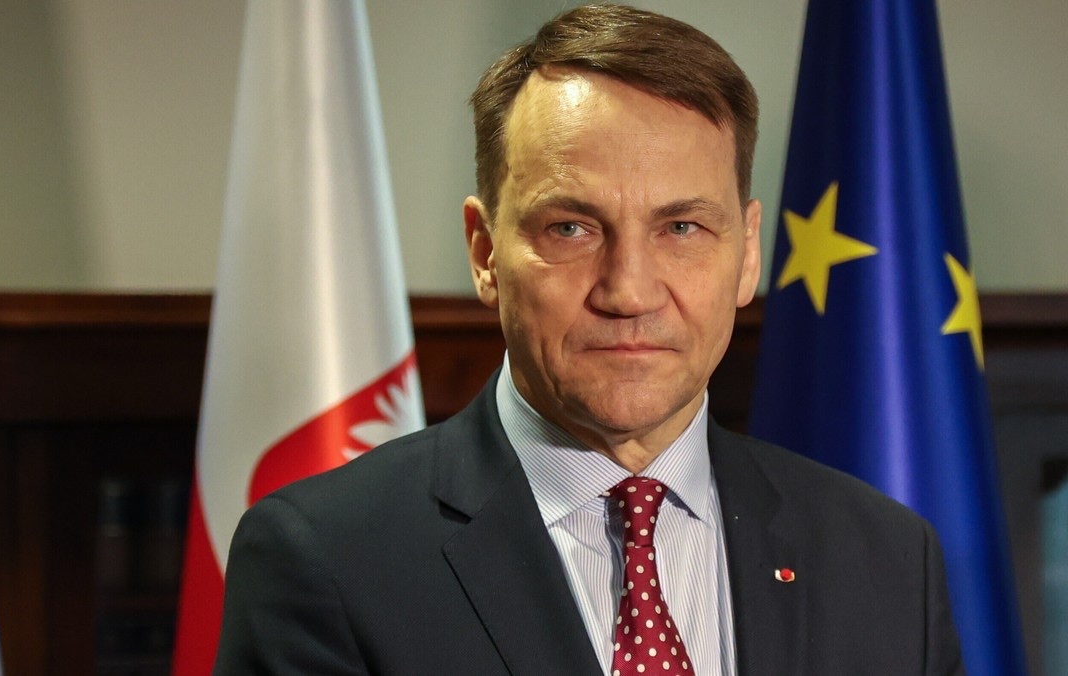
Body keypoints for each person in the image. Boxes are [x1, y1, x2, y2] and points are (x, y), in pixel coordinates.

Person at [213, 5, 964, 675]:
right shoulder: (328, 559)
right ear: (484, 252)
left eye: (682, 228)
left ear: (747, 253)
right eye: (571, 228)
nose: (629, 292)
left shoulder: (889, 560)